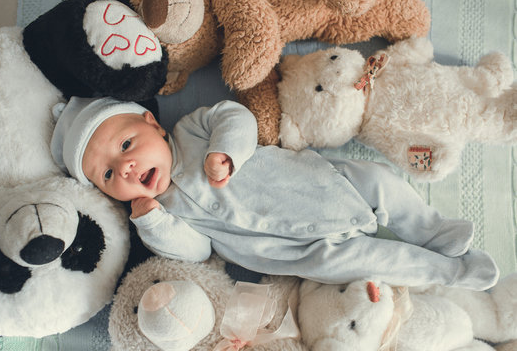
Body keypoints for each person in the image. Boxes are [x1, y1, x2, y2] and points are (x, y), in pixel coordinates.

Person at [50, 96, 499, 291]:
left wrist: (227, 151)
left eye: (125, 145)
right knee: (369, 263)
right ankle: (450, 273)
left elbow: (235, 115)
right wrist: (151, 220)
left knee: (381, 180)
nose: (125, 167)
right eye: (108, 175)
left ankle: (434, 229)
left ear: (151, 121)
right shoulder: (160, 214)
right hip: (297, 251)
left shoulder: (191, 129)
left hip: (318, 183)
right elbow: (195, 250)